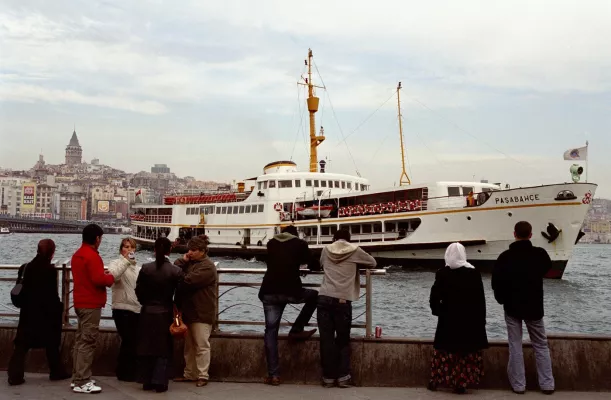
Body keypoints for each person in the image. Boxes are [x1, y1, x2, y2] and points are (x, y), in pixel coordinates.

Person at [492, 221, 555, 395]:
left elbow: (496, 282)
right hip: (534, 307)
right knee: (541, 345)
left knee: (515, 345)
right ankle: (547, 384)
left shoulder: (504, 257)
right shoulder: (540, 254)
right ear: (531, 234)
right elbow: (547, 268)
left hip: (512, 307)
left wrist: (502, 300)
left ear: (514, 234)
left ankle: (519, 385)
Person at [259, 225, 319, 386]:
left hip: (269, 292)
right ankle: (297, 329)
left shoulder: (271, 243)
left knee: (270, 331)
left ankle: (274, 375)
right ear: (295, 234)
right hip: (291, 291)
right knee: (314, 296)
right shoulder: (300, 244)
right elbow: (311, 262)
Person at [318, 228, 377, 388]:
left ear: (334, 239)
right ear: (348, 239)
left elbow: (321, 263)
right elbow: (372, 262)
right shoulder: (355, 251)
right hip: (342, 300)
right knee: (343, 340)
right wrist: (355, 266)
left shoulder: (325, 249)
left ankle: (328, 378)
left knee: (326, 340)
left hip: (324, 297)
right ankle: (343, 376)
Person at [7, 239, 71, 386]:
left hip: (27, 313)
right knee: (52, 344)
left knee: (22, 345)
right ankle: (56, 371)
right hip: (45, 315)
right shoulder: (50, 271)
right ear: (52, 252)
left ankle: (14, 375)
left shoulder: (25, 267)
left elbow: (19, 288)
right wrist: (59, 308)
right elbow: (51, 295)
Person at [428, 242, 488, 394]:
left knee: (444, 351)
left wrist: (438, 311)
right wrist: (481, 321)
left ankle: (436, 380)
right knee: (465, 352)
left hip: (448, 318)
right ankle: (461, 383)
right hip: (469, 319)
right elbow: (480, 300)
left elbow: (434, 297)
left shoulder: (442, 273)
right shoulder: (474, 273)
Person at [71, 223, 117, 394]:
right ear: (97, 239)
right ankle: (82, 381)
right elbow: (99, 279)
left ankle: (76, 377)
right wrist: (110, 277)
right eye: (101, 238)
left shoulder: (78, 255)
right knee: (88, 342)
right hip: (91, 304)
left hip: (79, 302)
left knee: (80, 340)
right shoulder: (92, 256)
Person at [135, 237, 183, 392]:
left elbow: (139, 291)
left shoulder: (146, 268)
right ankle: (160, 381)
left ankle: (146, 380)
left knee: (146, 346)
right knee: (163, 348)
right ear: (170, 250)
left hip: (147, 311)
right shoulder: (175, 271)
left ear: (154, 250)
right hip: (165, 311)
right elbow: (180, 295)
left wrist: (146, 303)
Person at [173, 235, 218, 387]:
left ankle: (203, 375)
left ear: (202, 251)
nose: (190, 253)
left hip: (202, 311)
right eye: (189, 250)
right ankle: (190, 373)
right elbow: (174, 268)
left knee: (201, 344)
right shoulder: (190, 262)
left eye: (193, 250)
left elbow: (188, 281)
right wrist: (183, 260)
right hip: (189, 310)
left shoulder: (208, 266)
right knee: (189, 346)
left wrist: (180, 273)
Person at [106, 238, 141, 382]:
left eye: (132, 247)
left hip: (136, 308)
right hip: (121, 307)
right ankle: (123, 371)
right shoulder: (116, 263)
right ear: (121, 249)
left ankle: (129, 370)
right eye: (126, 247)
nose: (129, 250)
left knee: (133, 341)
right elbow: (113, 276)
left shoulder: (137, 268)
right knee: (128, 339)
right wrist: (125, 261)